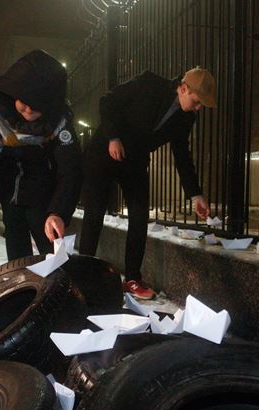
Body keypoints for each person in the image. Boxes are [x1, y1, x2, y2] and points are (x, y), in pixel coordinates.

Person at [79, 68, 215, 300]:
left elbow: (182, 155)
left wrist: (196, 195)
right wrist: (113, 137)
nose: (198, 108)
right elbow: (107, 101)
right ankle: (82, 274)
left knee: (140, 216)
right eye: (196, 101)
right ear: (183, 88)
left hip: (135, 161)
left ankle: (132, 278)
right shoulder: (149, 84)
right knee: (95, 212)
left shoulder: (186, 117)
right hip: (105, 152)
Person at [0, 49, 82, 260]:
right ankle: (21, 289)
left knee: (51, 253)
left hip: (41, 191)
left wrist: (58, 213)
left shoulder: (60, 126)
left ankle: (54, 288)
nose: (27, 111)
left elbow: (71, 170)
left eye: (37, 108)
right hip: (7, 184)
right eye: (24, 103)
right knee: (16, 251)